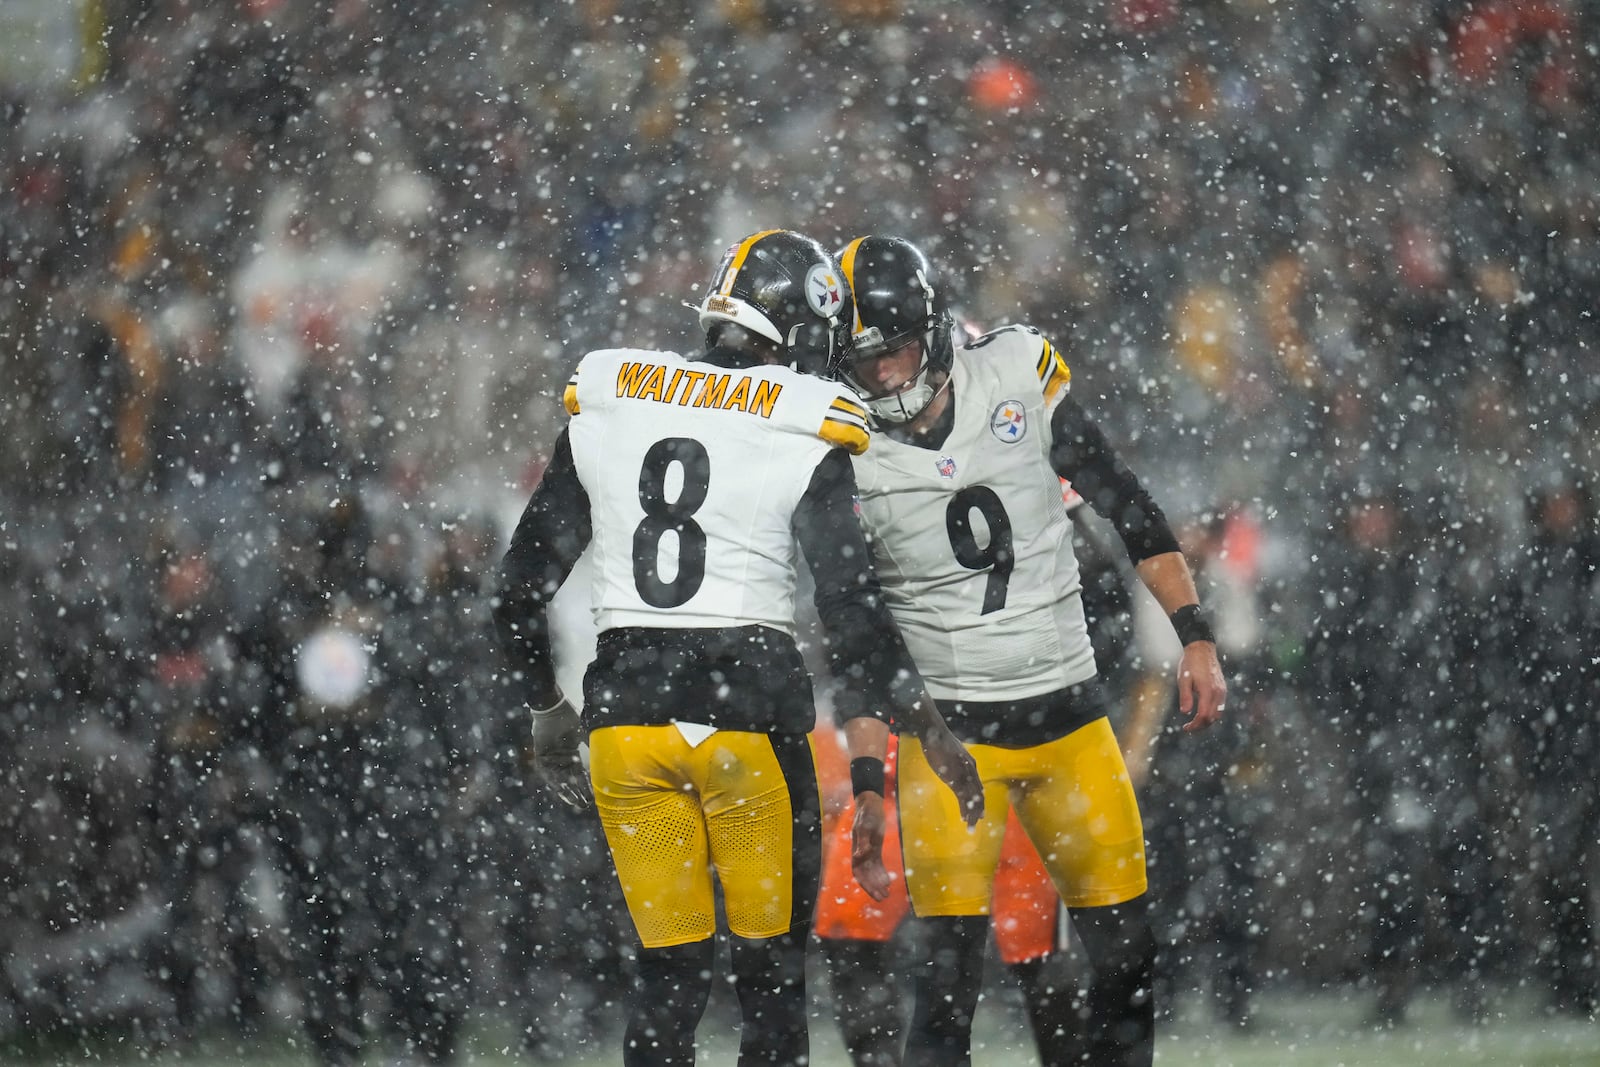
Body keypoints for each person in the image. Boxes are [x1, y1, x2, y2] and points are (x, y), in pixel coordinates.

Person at [494, 229, 984, 1067]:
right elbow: (853, 615)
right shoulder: (804, 419)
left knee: (665, 981)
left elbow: (516, 591)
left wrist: (546, 709)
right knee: (770, 990)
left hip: (625, 724)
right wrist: (929, 730)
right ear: (803, 331)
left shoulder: (614, 392)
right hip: (745, 718)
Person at [828, 235, 1227, 1067]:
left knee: (1125, 962)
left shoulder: (1015, 370)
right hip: (950, 739)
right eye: (866, 361)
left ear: (934, 330)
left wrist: (1196, 633)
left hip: (1068, 714)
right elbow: (854, 631)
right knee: (946, 988)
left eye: (897, 349)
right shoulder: (835, 439)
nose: (888, 376)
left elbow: (1124, 498)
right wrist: (869, 778)